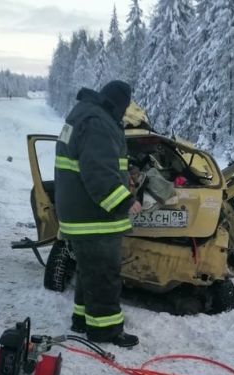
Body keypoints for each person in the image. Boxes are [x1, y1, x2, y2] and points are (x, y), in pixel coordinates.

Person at [54, 80, 142, 348]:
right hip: (93, 218)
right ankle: (106, 331)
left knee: (90, 272)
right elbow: (99, 174)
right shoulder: (98, 123)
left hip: (81, 215)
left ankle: (83, 320)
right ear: (118, 104)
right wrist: (125, 202)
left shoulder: (84, 113)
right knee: (104, 274)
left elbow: (96, 164)